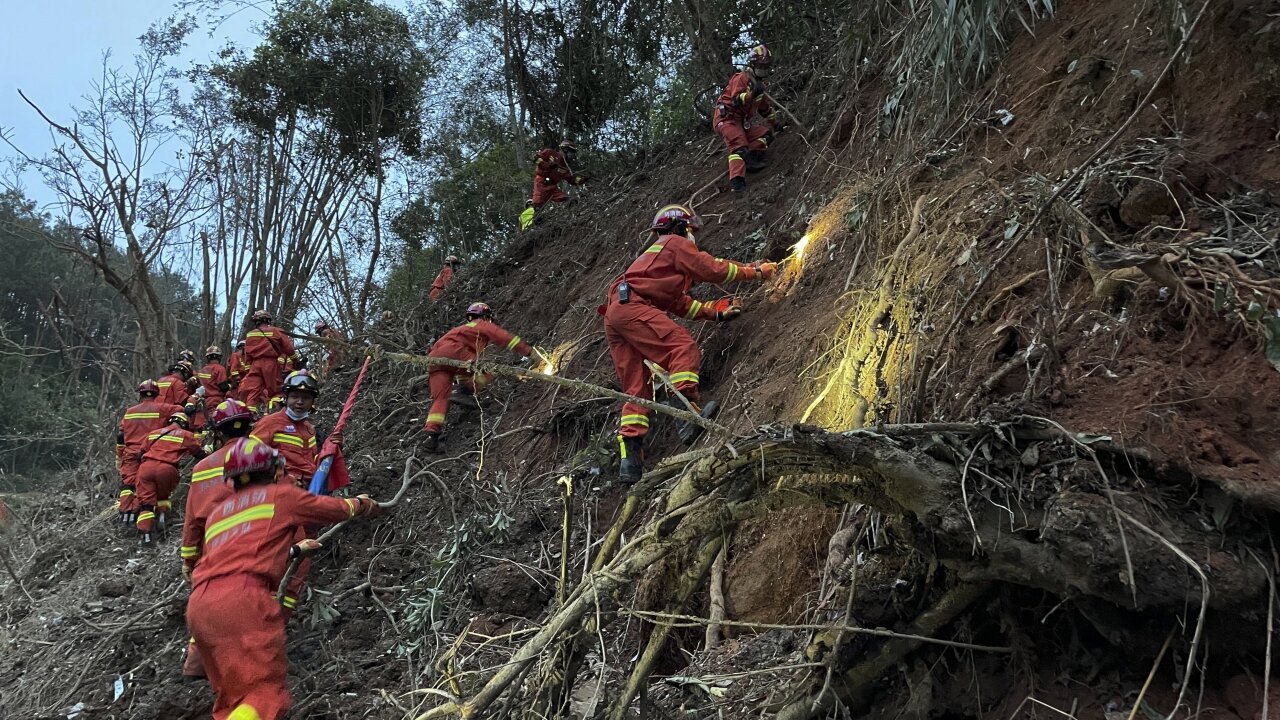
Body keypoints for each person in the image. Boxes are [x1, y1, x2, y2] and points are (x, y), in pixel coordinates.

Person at [182, 438, 378, 720]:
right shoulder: (281, 495)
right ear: (275, 470)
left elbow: (239, 555)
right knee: (265, 695)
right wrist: (361, 504)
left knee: (232, 699)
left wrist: (296, 549)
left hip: (200, 607)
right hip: (244, 600)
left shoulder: (217, 514)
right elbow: (332, 509)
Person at [599, 204, 775, 481]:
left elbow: (681, 305)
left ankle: (630, 461)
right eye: (691, 230)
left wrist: (716, 313)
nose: (693, 236)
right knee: (681, 346)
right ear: (681, 227)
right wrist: (755, 271)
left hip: (617, 313)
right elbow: (712, 269)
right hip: (632, 307)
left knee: (636, 389)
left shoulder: (657, 265)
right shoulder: (673, 243)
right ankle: (686, 413)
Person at [179, 398, 257, 681]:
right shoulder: (263, 456)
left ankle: (195, 667)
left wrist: (189, 559)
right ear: (249, 428)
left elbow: (192, 521)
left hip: (213, 548)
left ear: (218, 432)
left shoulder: (202, 470)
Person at [423, 302, 532, 453]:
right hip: (453, 351)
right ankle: (463, 392)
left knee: (440, 398)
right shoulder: (481, 324)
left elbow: (462, 369)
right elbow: (505, 338)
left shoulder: (460, 330)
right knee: (487, 371)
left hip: (433, 359)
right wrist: (529, 352)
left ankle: (431, 436)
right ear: (486, 316)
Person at [713, 44, 782, 193]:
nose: (763, 69)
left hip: (739, 122)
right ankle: (737, 183)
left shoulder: (759, 86)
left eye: (766, 66)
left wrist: (776, 125)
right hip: (726, 119)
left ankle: (751, 158)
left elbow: (765, 110)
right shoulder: (741, 78)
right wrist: (752, 94)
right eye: (761, 65)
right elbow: (736, 99)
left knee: (765, 134)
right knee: (739, 146)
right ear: (753, 63)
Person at [117, 380, 186, 525]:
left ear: (140, 394)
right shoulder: (162, 408)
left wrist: (120, 454)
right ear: (156, 394)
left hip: (130, 452)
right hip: (149, 453)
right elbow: (181, 410)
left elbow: (120, 434)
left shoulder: (130, 412)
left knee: (128, 484)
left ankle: (125, 514)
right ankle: (149, 517)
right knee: (147, 487)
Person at [135, 411, 204, 545]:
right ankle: (162, 521)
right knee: (163, 497)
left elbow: (140, 453)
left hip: (146, 468)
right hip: (167, 469)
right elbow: (198, 453)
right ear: (184, 424)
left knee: (146, 505)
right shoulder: (186, 435)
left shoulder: (154, 433)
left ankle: (146, 537)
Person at [239, 310, 299, 415]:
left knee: (253, 392)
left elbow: (247, 355)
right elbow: (288, 348)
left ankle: (249, 416)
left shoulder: (250, 334)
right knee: (276, 390)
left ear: (256, 321)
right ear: (268, 320)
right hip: (270, 364)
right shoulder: (276, 331)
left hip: (255, 365)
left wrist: (249, 370)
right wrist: (295, 360)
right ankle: (273, 413)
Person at [532, 140, 584, 210]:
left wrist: (582, 180)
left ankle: (574, 212)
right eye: (571, 151)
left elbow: (571, 179)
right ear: (565, 149)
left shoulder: (564, 166)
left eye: (573, 153)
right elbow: (536, 158)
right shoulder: (550, 153)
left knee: (567, 199)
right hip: (541, 182)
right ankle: (533, 217)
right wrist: (548, 165)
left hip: (552, 187)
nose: (572, 155)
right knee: (537, 204)